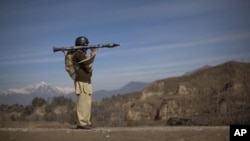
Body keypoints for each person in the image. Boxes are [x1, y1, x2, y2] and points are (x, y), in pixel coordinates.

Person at [72, 36, 97, 129]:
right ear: (81, 44)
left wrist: (91, 55)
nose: (87, 46)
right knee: (82, 103)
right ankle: (81, 123)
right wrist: (93, 54)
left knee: (87, 103)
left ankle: (86, 122)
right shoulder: (77, 54)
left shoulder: (81, 53)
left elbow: (88, 64)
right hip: (81, 82)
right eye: (86, 44)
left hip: (86, 81)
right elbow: (87, 62)